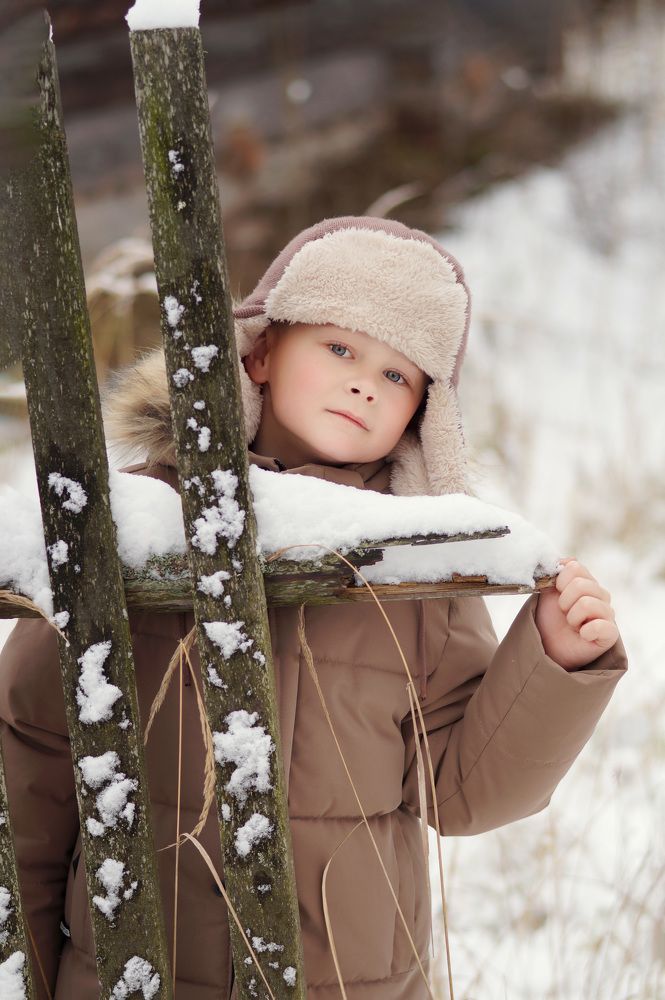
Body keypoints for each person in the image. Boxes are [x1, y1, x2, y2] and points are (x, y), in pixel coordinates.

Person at [0, 216, 627, 999]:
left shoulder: (417, 566)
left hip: (351, 979)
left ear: (421, 415)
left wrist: (555, 665)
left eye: (398, 376)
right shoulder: (137, 530)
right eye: (340, 348)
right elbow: (34, 762)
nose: (365, 382)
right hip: (136, 966)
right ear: (260, 352)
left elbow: (461, 793)